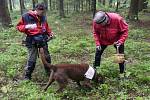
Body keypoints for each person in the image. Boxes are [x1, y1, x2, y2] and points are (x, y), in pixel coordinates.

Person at [16, 3, 54, 80]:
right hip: (31, 40)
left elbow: (46, 27)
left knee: (47, 57)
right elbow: (19, 27)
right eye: (42, 11)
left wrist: (50, 33)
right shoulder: (26, 16)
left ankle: (49, 73)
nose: (43, 13)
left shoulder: (43, 17)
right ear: (37, 10)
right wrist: (27, 27)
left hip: (42, 39)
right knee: (32, 58)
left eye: (44, 12)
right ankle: (27, 76)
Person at [92, 11, 128, 78]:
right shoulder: (96, 21)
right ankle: (95, 72)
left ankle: (122, 73)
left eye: (102, 23)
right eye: (99, 24)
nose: (101, 25)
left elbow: (125, 30)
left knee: (119, 56)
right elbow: (95, 32)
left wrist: (120, 41)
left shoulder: (117, 19)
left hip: (117, 39)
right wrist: (97, 43)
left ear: (106, 18)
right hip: (103, 39)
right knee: (97, 55)